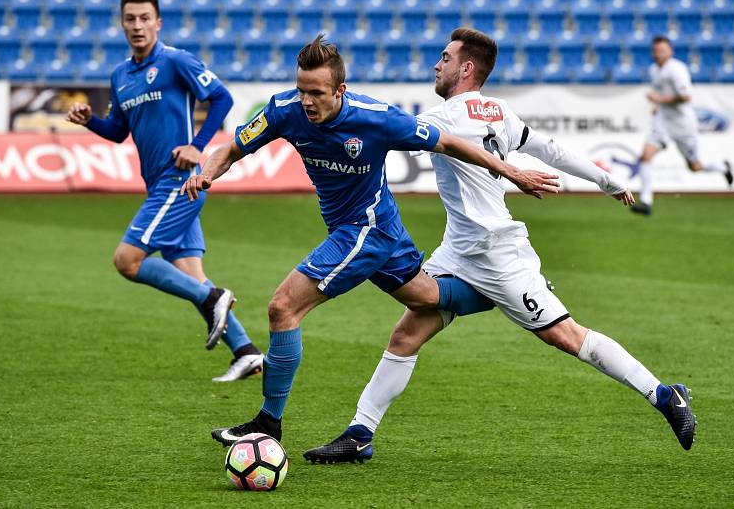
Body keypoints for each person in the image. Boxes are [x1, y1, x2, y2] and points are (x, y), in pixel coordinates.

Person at [303, 28, 697, 465]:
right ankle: (360, 433)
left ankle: (665, 395)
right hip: (459, 248)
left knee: (563, 335)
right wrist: (605, 179)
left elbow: (378, 125)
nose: (437, 64)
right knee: (407, 332)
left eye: (445, 58)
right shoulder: (500, 111)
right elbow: (552, 150)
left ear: (466, 68)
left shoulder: (443, 118)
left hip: (496, 253)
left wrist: (330, 110)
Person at [181, 34, 560, 445]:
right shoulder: (284, 111)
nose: (307, 101)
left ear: (339, 91)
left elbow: (449, 141)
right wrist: (205, 173)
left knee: (282, 308)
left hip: (364, 230)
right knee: (427, 297)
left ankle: (268, 423)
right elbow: (231, 149)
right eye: (301, 90)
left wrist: (511, 171)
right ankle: (508, 290)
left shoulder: (376, 119)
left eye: (317, 93)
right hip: (380, 227)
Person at [66, 0, 263, 382]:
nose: (137, 26)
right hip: (157, 182)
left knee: (127, 261)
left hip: (180, 182)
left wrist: (197, 146)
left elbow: (221, 99)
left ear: (158, 22)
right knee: (189, 273)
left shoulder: (176, 61)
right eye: (130, 19)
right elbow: (118, 131)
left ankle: (214, 298)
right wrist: (90, 120)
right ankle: (246, 351)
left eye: (144, 18)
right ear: (122, 24)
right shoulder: (121, 75)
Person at [632, 35, 733, 216]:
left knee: (695, 167)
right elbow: (662, 93)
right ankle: (646, 202)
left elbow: (686, 97)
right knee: (646, 156)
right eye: (655, 51)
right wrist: (657, 106)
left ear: (670, 51)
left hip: (683, 124)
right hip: (663, 121)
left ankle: (722, 167)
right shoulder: (654, 70)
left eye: (662, 51)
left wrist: (659, 99)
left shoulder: (677, 69)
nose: (658, 54)